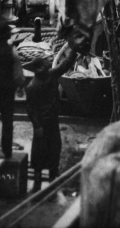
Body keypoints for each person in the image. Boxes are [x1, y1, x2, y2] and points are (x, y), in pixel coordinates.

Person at [24, 48, 77, 194]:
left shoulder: (51, 75)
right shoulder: (32, 86)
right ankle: (37, 181)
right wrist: (37, 126)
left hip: (53, 119)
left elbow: (66, 64)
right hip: (42, 123)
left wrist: (74, 49)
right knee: (38, 152)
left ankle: (52, 178)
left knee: (55, 148)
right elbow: (30, 109)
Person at [0, 20, 25, 159]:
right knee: (7, 121)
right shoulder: (11, 51)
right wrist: (20, 86)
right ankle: (7, 151)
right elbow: (18, 73)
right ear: (7, 35)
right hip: (7, 90)